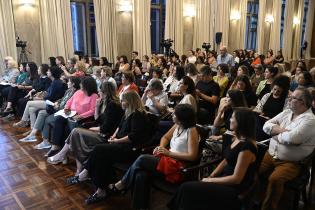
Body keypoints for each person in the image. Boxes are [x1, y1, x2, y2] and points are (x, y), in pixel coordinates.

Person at [107, 104, 199, 209]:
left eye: (175, 114)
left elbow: (192, 156)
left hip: (177, 167)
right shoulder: (177, 125)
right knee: (141, 175)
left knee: (142, 159)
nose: (172, 115)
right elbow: (165, 137)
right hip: (167, 160)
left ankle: (121, 184)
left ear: (182, 118)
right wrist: (161, 147)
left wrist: (168, 153)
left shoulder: (192, 131)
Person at [68, 91, 153, 201]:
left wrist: (117, 141)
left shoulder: (138, 115)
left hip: (128, 148)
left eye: (123, 100)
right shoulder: (128, 112)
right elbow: (119, 127)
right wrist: (113, 137)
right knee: (101, 156)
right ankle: (100, 189)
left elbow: (133, 136)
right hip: (119, 144)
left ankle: (87, 175)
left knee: (99, 150)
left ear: (130, 101)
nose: (121, 102)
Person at [168, 108, 258, 210]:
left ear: (241, 122)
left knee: (186, 188)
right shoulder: (236, 138)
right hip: (223, 180)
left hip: (232, 188)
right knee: (187, 190)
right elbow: (226, 160)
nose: (230, 120)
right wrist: (212, 175)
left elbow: (236, 179)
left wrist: (211, 181)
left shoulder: (247, 147)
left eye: (233, 117)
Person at [47, 82, 124, 174]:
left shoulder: (113, 105)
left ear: (105, 92)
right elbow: (97, 120)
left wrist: (88, 129)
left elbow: (105, 128)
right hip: (101, 130)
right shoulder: (106, 103)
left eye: (100, 91)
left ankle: (63, 156)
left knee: (76, 132)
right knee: (76, 134)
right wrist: (97, 107)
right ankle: (78, 169)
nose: (99, 93)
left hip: (106, 135)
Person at [259, 87, 315, 210]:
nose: (289, 98)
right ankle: (251, 200)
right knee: (252, 168)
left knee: (275, 179)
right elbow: (266, 125)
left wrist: (274, 134)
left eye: (293, 97)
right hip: (270, 154)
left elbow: (292, 139)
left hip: (291, 162)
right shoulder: (287, 112)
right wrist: (283, 132)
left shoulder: (310, 120)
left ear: (303, 102)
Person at [45, 76, 98, 157]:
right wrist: (66, 108)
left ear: (87, 85)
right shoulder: (78, 92)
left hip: (81, 119)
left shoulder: (94, 96)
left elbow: (92, 111)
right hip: (70, 114)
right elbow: (69, 101)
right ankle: (55, 147)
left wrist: (80, 116)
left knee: (65, 128)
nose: (80, 85)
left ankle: (62, 154)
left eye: (81, 83)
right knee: (59, 119)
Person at [20, 77, 80, 146]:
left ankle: (42, 140)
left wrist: (59, 106)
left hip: (63, 112)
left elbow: (71, 106)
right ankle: (34, 136)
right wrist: (57, 102)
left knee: (46, 117)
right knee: (41, 112)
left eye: (69, 81)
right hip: (57, 108)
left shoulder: (76, 93)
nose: (67, 83)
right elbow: (62, 99)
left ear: (73, 84)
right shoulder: (68, 90)